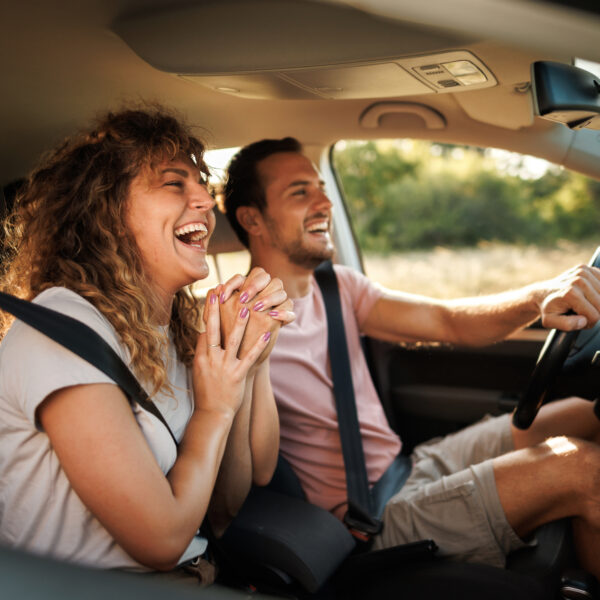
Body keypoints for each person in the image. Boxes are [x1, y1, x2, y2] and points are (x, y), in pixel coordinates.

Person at [223, 136, 600, 579]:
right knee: (582, 470)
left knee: (587, 413)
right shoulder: (239, 323)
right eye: (300, 192)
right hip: (371, 521)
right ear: (252, 218)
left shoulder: (338, 286)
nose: (324, 202)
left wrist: (540, 296)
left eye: (321, 187)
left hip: (412, 465)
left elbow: (448, 322)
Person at [0, 107, 294, 582]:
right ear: (107, 213)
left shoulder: (170, 331)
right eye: (174, 183)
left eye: (201, 182)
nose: (205, 199)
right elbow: (160, 541)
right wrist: (214, 410)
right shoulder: (62, 329)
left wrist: (248, 359)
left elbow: (227, 504)